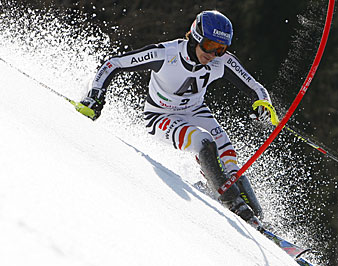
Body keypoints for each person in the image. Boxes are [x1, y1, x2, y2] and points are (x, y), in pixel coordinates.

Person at [77, 10, 274, 229]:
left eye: (221, 49)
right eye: (209, 45)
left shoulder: (221, 62)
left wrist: (263, 103)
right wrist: (95, 95)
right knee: (204, 142)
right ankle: (233, 203)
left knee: (229, 160)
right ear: (196, 36)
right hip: (160, 116)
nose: (213, 54)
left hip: (196, 110)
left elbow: (256, 88)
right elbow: (114, 64)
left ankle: (254, 215)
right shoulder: (167, 54)